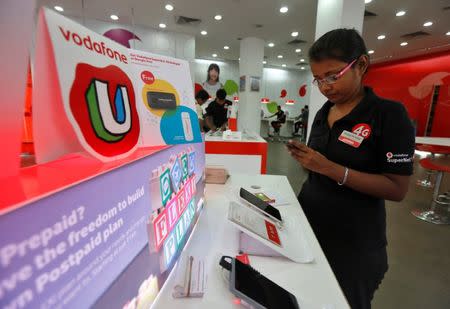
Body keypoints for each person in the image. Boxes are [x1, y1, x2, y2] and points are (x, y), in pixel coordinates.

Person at [286, 28, 414, 309]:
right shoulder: (324, 113)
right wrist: (308, 161)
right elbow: (319, 169)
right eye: (318, 79)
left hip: (354, 246)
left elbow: (397, 188)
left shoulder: (389, 115)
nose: (325, 87)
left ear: (361, 65)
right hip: (310, 228)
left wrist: (332, 169)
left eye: (333, 76)